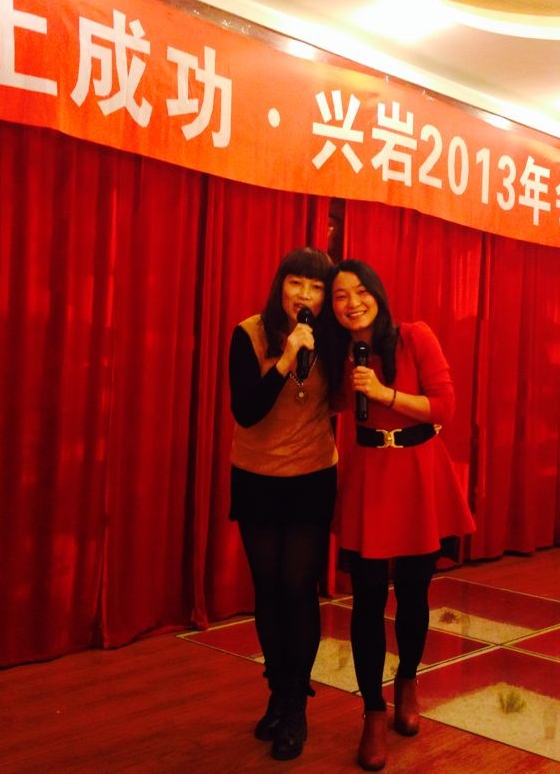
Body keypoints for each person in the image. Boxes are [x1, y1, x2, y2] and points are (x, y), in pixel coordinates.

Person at [327, 259, 476, 772]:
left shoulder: (415, 337)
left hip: (417, 474)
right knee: (367, 600)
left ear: (378, 292)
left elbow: (445, 407)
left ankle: (408, 682)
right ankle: (372, 712)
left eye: (360, 291)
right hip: (370, 476)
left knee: (415, 593)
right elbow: (326, 405)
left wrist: (384, 393)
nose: (352, 303)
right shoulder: (340, 353)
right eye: (340, 296)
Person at [228, 247, 338, 761]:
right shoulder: (249, 334)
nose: (305, 295)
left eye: (316, 287)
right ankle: (277, 691)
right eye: (297, 283)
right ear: (281, 286)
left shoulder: (330, 338)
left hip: (311, 477)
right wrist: (287, 359)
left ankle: (295, 706)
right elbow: (246, 411)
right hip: (256, 477)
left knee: (298, 588)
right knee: (268, 588)